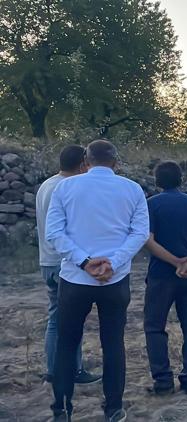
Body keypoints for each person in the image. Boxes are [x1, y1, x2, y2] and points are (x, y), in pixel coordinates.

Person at [46, 139, 149, 422]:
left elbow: (54, 233)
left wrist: (84, 261)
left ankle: (62, 410)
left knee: (67, 343)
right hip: (115, 281)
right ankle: (114, 408)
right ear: (116, 162)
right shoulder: (132, 189)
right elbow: (140, 233)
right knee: (113, 343)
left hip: (75, 278)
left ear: (86, 162)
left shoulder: (65, 187)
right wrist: (113, 263)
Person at [143, 160, 187, 396]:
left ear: (157, 181)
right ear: (181, 179)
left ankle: (162, 381)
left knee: (154, 327)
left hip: (162, 276)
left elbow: (148, 240)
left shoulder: (151, 205)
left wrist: (175, 262)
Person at [36, 145, 101, 385]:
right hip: (64, 262)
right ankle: (70, 370)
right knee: (69, 319)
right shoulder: (65, 188)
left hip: (47, 260)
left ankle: (55, 369)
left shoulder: (47, 185)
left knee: (57, 318)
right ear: (83, 164)